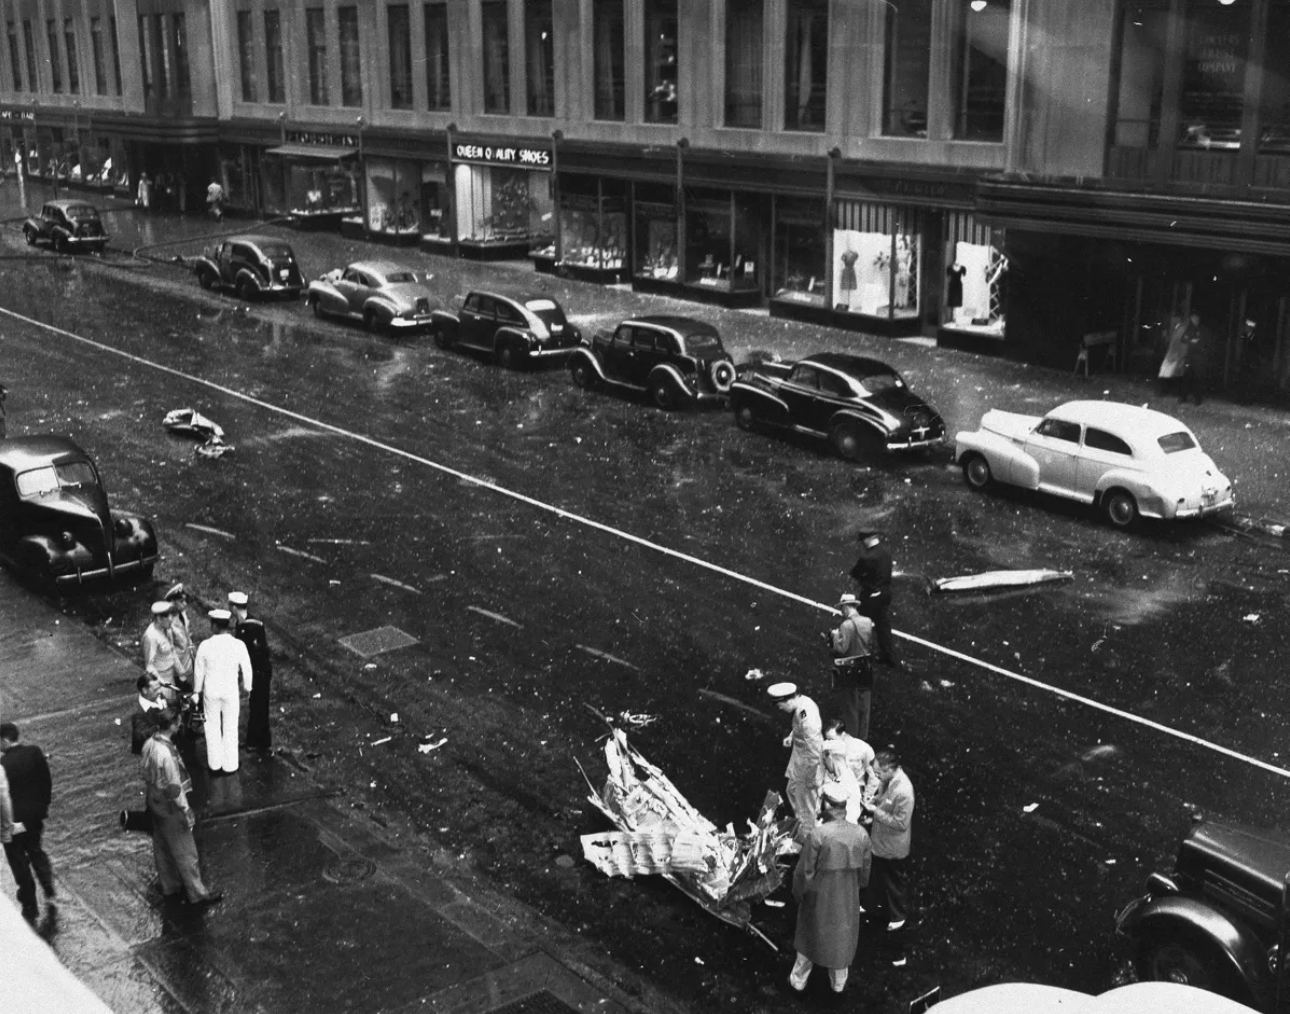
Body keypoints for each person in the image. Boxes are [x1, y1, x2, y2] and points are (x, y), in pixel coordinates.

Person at [789, 783, 872, 994]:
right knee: (840, 941)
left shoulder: (818, 835)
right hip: (847, 897)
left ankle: (799, 980)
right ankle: (838, 982)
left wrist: (798, 895)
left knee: (809, 937)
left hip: (818, 897)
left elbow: (803, 873)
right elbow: (865, 874)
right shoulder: (861, 834)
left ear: (826, 803)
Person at [141, 709, 222, 908]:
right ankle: (197, 893)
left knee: (161, 845)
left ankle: (170, 886)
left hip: (154, 798)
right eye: (177, 723)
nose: (180, 725)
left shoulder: (149, 743)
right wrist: (186, 810)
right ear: (171, 726)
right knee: (186, 850)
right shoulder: (166, 755)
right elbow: (175, 787)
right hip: (169, 805)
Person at [862, 748, 916, 961]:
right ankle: (873, 905)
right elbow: (883, 798)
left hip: (893, 846)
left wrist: (876, 812)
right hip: (881, 841)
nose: (875, 776)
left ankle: (898, 915)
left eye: (878, 772)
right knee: (877, 875)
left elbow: (901, 823)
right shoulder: (889, 781)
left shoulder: (904, 791)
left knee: (893, 881)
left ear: (890, 769)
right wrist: (875, 801)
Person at [1, 723, 55, 925]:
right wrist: (42, 808)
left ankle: (29, 900)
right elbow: (46, 781)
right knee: (36, 850)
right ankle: (48, 885)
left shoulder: (3, 764)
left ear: (5, 740)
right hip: (34, 818)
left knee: (18, 860)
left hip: (12, 822)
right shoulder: (34, 752)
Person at [192, 608, 252, 775]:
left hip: (211, 691)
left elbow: (199, 671)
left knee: (211, 726)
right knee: (231, 727)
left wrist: (197, 691)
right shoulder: (238, 645)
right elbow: (247, 668)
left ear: (216, 626)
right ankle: (230, 765)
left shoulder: (205, 646)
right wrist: (248, 687)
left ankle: (215, 764)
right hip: (230, 691)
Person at [768, 682, 823, 841]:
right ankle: (802, 820)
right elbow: (799, 726)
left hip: (808, 763)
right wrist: (792, 737)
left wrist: (813, 775)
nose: (780, 708)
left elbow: (813, 746)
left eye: (780, 705)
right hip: (800, 757)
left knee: (806, 803)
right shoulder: (801, 705)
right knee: (791, 790)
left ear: (789, 700)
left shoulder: (807, 716)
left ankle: (808, 838)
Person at [849, 529, 901, 670]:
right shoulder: (886, 552)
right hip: (885, 593)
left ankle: (856, 654)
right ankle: (888, 656)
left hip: (871, 596)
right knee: (882, 626)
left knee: (857, 622)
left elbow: (855, 573)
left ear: (866, 540)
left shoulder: (867, 558)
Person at [229, 590, 273, 753]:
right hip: (255, 670)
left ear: (234, 607)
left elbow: (256, 653)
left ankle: (257, 741)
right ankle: (257, 740)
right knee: (256, 705)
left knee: (259, 705)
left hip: (259, 671)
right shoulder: (241, 623)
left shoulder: (252, 625)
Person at [829, 592, 876, 739]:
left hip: (851, 669)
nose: (841, 612)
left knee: (851, 708)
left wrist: (835, 636)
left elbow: (840, 649)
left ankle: (852, 741)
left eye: (842, 609)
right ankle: (863, 740)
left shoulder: (846, 625)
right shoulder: (868, 621)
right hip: (866, 667)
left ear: (846, 607)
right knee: (864, 708)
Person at [823, 718, 875, 802]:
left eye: (832, 739)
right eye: (827, 739)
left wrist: (867, 796)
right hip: (833, 792)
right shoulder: (827, 749)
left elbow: (873, 776)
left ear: (843, 735)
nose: (829, 743)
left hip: (855, 793)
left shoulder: (863, 748)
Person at [1158, 312, 1201, 402]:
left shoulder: (1183, 328)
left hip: (1177, 354)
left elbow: (1181, 342)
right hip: (1173, 353)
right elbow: (1175, 341)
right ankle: (1166, 391)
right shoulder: (1180, 328)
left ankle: (1172, 392)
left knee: (1175, 373)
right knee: (1167, 372)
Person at [132, 674, 179, 755]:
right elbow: (140, 734)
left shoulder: (156, 694)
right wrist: (160, 727)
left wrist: (179, 701)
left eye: (159, 687)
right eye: (156, 689)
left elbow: (166, 702)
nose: (160, 691)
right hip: (152, 750)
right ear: (145, 690)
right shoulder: (138, 712)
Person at [819, 740, 863, 825]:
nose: (824, 764)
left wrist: (825, 790)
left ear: (830, 757)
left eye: (824, 760)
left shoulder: (847, 778)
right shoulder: (838, 776)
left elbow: (842, 799)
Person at [142, 600, 183, 688]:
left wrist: (181, 673)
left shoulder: (167, 629)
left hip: (170, 675)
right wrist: (163, 683)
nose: (171, 620)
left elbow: (172, 651)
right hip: (160, 680)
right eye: (168, 617)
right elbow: (149, 666)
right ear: (159, 619)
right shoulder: (151, 636)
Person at [165, 584, 195, 691]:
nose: (185, 604)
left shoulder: (182, 615)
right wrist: (181, 672)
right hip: (178, 671)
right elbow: (171, 650)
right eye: (181, 601)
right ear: (173, 603)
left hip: (189, 664)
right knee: (183, 699)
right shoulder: (168, 623)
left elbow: (187, 635)